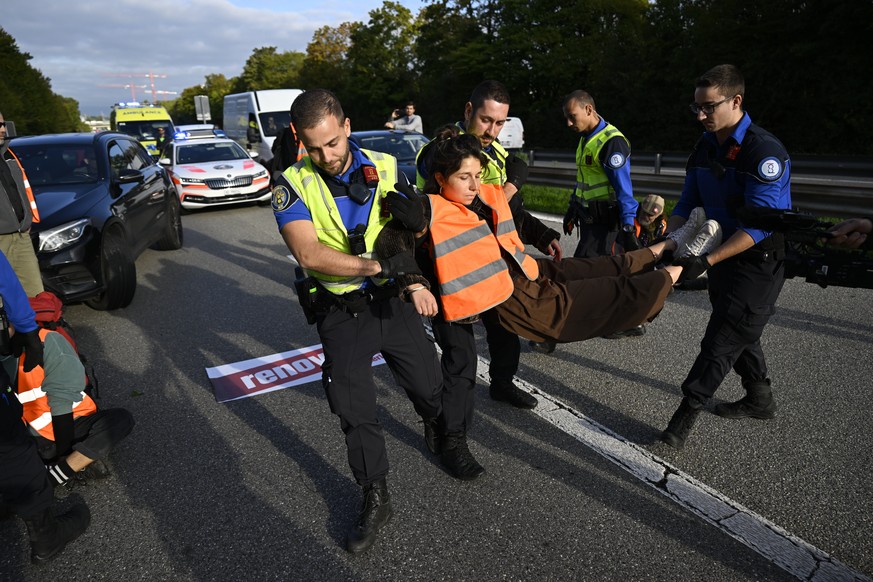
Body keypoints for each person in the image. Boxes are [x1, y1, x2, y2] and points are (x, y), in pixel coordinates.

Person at [379, 131, 684, 473]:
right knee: (461, 373)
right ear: (440, 177)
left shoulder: (481, 194)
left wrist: (543, 235)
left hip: (505, 285)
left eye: (477, 176)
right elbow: (392, 240)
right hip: (460, 306)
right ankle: (452, 442)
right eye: (464, 178)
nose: (473, 185)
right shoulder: (426, 207)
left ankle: (658, 252)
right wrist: (414, 284)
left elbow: (513, 216)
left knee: (582, 272)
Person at [271, 89, 442, 554]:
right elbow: (308, 253)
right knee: (354, 409)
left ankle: (433, 421)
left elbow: (416, 228)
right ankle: (375, 494)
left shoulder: (386, 165)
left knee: (429, 387)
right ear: (299, 140)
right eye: (313, 147)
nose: (326, 155)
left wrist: (420, 225)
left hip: (394, 303)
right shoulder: (291, 183)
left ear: (345, 126)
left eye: (332, 142)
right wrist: (375, 268)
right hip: (343, 311)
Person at [659, 64, 792, 450]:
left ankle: (683, 418)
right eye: (696, 108)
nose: (700, 116)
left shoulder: (762, 151)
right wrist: (672, 244)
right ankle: (759, 398)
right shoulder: (705, 146)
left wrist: (708, 261)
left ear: (736, 101)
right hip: (715, 253)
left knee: (723, 336)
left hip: (756, 259)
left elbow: (760, 227)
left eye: (709, 107)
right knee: (739, 327)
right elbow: (687, 202)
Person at [416, 80, 549, 409]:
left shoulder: (497, 154)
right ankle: (448, 426)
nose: (492, 130)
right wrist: (513, 182)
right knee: (460, 357)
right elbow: (437, 170)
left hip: (491, 262)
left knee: (505, 331)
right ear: (468, 111)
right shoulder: (442, 149)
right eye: (486, 120)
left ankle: (502, 384)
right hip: (451, 265)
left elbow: (509, 210)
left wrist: (542, 234)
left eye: (500, 122)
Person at [1, 250, 90, 564]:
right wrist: (26, 327)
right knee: (9, 442)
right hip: (47, 438)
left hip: (51, 431)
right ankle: (45, 535)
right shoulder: (46, 342)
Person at [3, 296, 135, 492]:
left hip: (71, 425)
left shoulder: (47, 341)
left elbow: (61, 409)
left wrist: (63, 457)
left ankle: (55, 476)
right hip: (31, 437)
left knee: (120, 420)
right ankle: (71, 466)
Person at [1, 110, 44, 297]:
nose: (3, 129)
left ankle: (32, 326)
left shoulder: (8, 155)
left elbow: (21, 191)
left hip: (21, 237)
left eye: (3, 124)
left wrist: (27, 221)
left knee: (35, 296)